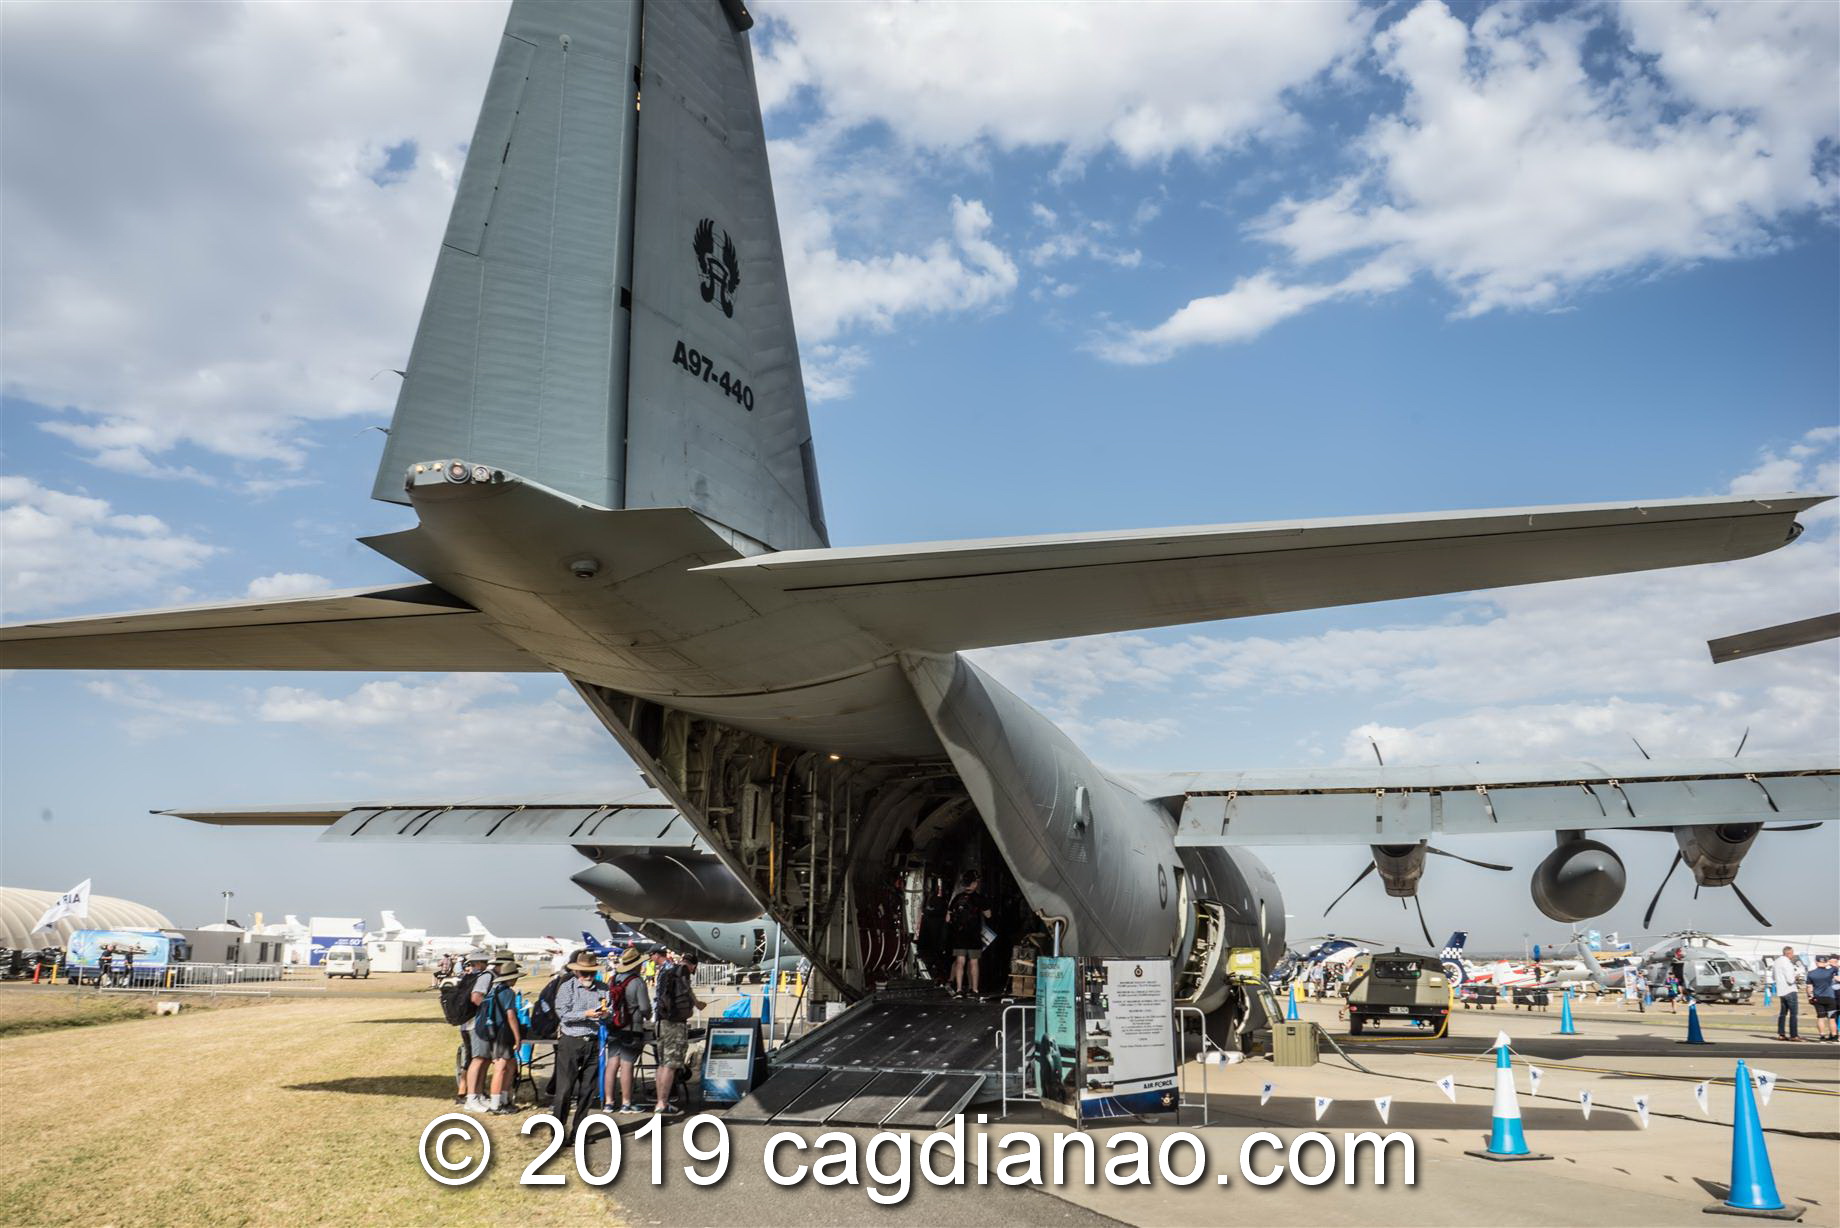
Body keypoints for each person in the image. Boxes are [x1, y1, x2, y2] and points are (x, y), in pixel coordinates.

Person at [549, 953, 607, 1135]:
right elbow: (563, 1014)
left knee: (588, 1090)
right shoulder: (567, 988)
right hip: (571, 1041)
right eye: (583, 973)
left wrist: (607, 1014)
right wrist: (585, 1014)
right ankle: (558, 1131)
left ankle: (579, 1131)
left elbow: (609, 1007)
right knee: (565, 1089)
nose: (587, 977)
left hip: (593, 1041)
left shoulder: (603, 988)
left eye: (590, 973)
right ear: (576, 972)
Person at [465, 955, 524, 1114]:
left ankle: (495, 1099)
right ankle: (496, 1102)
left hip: (489, 1031)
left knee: (503, 1064)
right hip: (499, 1033)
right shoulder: (508, 992)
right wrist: (517, 1037)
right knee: (500, 1066)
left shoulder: (494, 989)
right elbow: (510, 1015)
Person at [652, 951, 705, 1116]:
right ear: (693, 966)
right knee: (671, 1064)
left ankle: (660, 1101)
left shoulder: (668, 971)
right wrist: (696, 1004)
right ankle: (662, 1103)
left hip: (660, 1020)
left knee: (662, 1063)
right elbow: (686, 994)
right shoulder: (683, 973)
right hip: (675, 1024)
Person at [601, 948, 652, 1113]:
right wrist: (648, 1015)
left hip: (614, 1026)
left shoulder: (614, 979)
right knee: (627, 1064)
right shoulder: (637, 982)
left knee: (612, 1063)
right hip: (632, 1027)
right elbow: (644, 1007)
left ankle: (608, 1102)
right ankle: (626, 1102)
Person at [452, 949, 492, 1104]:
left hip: (464, 1023)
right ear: (483, 962)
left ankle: (463, 1092)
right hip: (475, 1023)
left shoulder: (468, 977)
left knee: (468, 1059)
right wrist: (488, 1012)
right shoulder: (484, 977)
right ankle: (473, 1094)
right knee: (478, 1058)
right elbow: (476, 998)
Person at [945, 873, 991, 998]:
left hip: (959, 935)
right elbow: (988, 915)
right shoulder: (979, 898)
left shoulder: (957, 898)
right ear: (974, 884)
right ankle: (974, 990)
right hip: (974, 935)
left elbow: (948, 918)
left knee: (960, 962)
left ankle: (959, 989)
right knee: (974, 962)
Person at [1770, 946, 1803, 1041]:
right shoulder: (1787, 963)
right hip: (1790, 990)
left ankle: (1781, 1033)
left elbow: (1773, 976)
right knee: (1793, 1014)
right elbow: (1790, 979)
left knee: (1783, 1013)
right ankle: (1794, 1035)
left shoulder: (1776, 962)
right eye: (1792, 953)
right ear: (1788, 953)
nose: (1793, 955)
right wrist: (1796, 974)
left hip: (1781, 990)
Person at [1807, 953, 1837, 1043]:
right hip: (1830, 997)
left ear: (1816, 962)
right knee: (1831, 1018)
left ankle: (1822, 1036)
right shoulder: (1830, 971)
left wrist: (1809, 997)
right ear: (1824, 961)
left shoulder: (1811, 973)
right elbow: (1835, 966)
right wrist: (1827, 963)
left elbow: (1809, 987)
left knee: (1821, 1018)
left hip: (1818, 998)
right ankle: (1834, 1036)